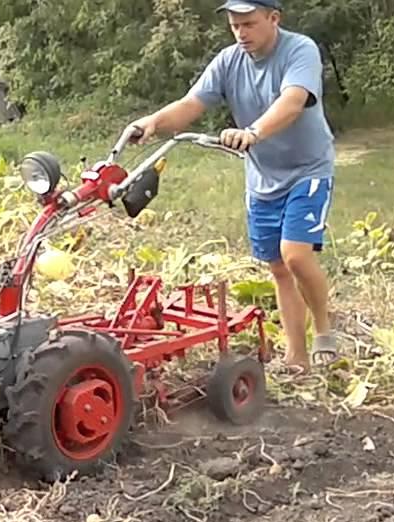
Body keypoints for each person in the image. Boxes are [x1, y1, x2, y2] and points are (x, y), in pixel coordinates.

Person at [128, 0, 337, 372]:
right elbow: (192, 103)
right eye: (235, 25)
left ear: (274, 19)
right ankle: (296, 357)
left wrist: (253, 131)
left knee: (296, 254)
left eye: (250, 24)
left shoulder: (300, 50)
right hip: (262, 177)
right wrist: (154, 122)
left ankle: (324, 330)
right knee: (278, 268)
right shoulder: (228, 61)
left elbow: (291, 103)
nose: (241, 33)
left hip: (308, 169)